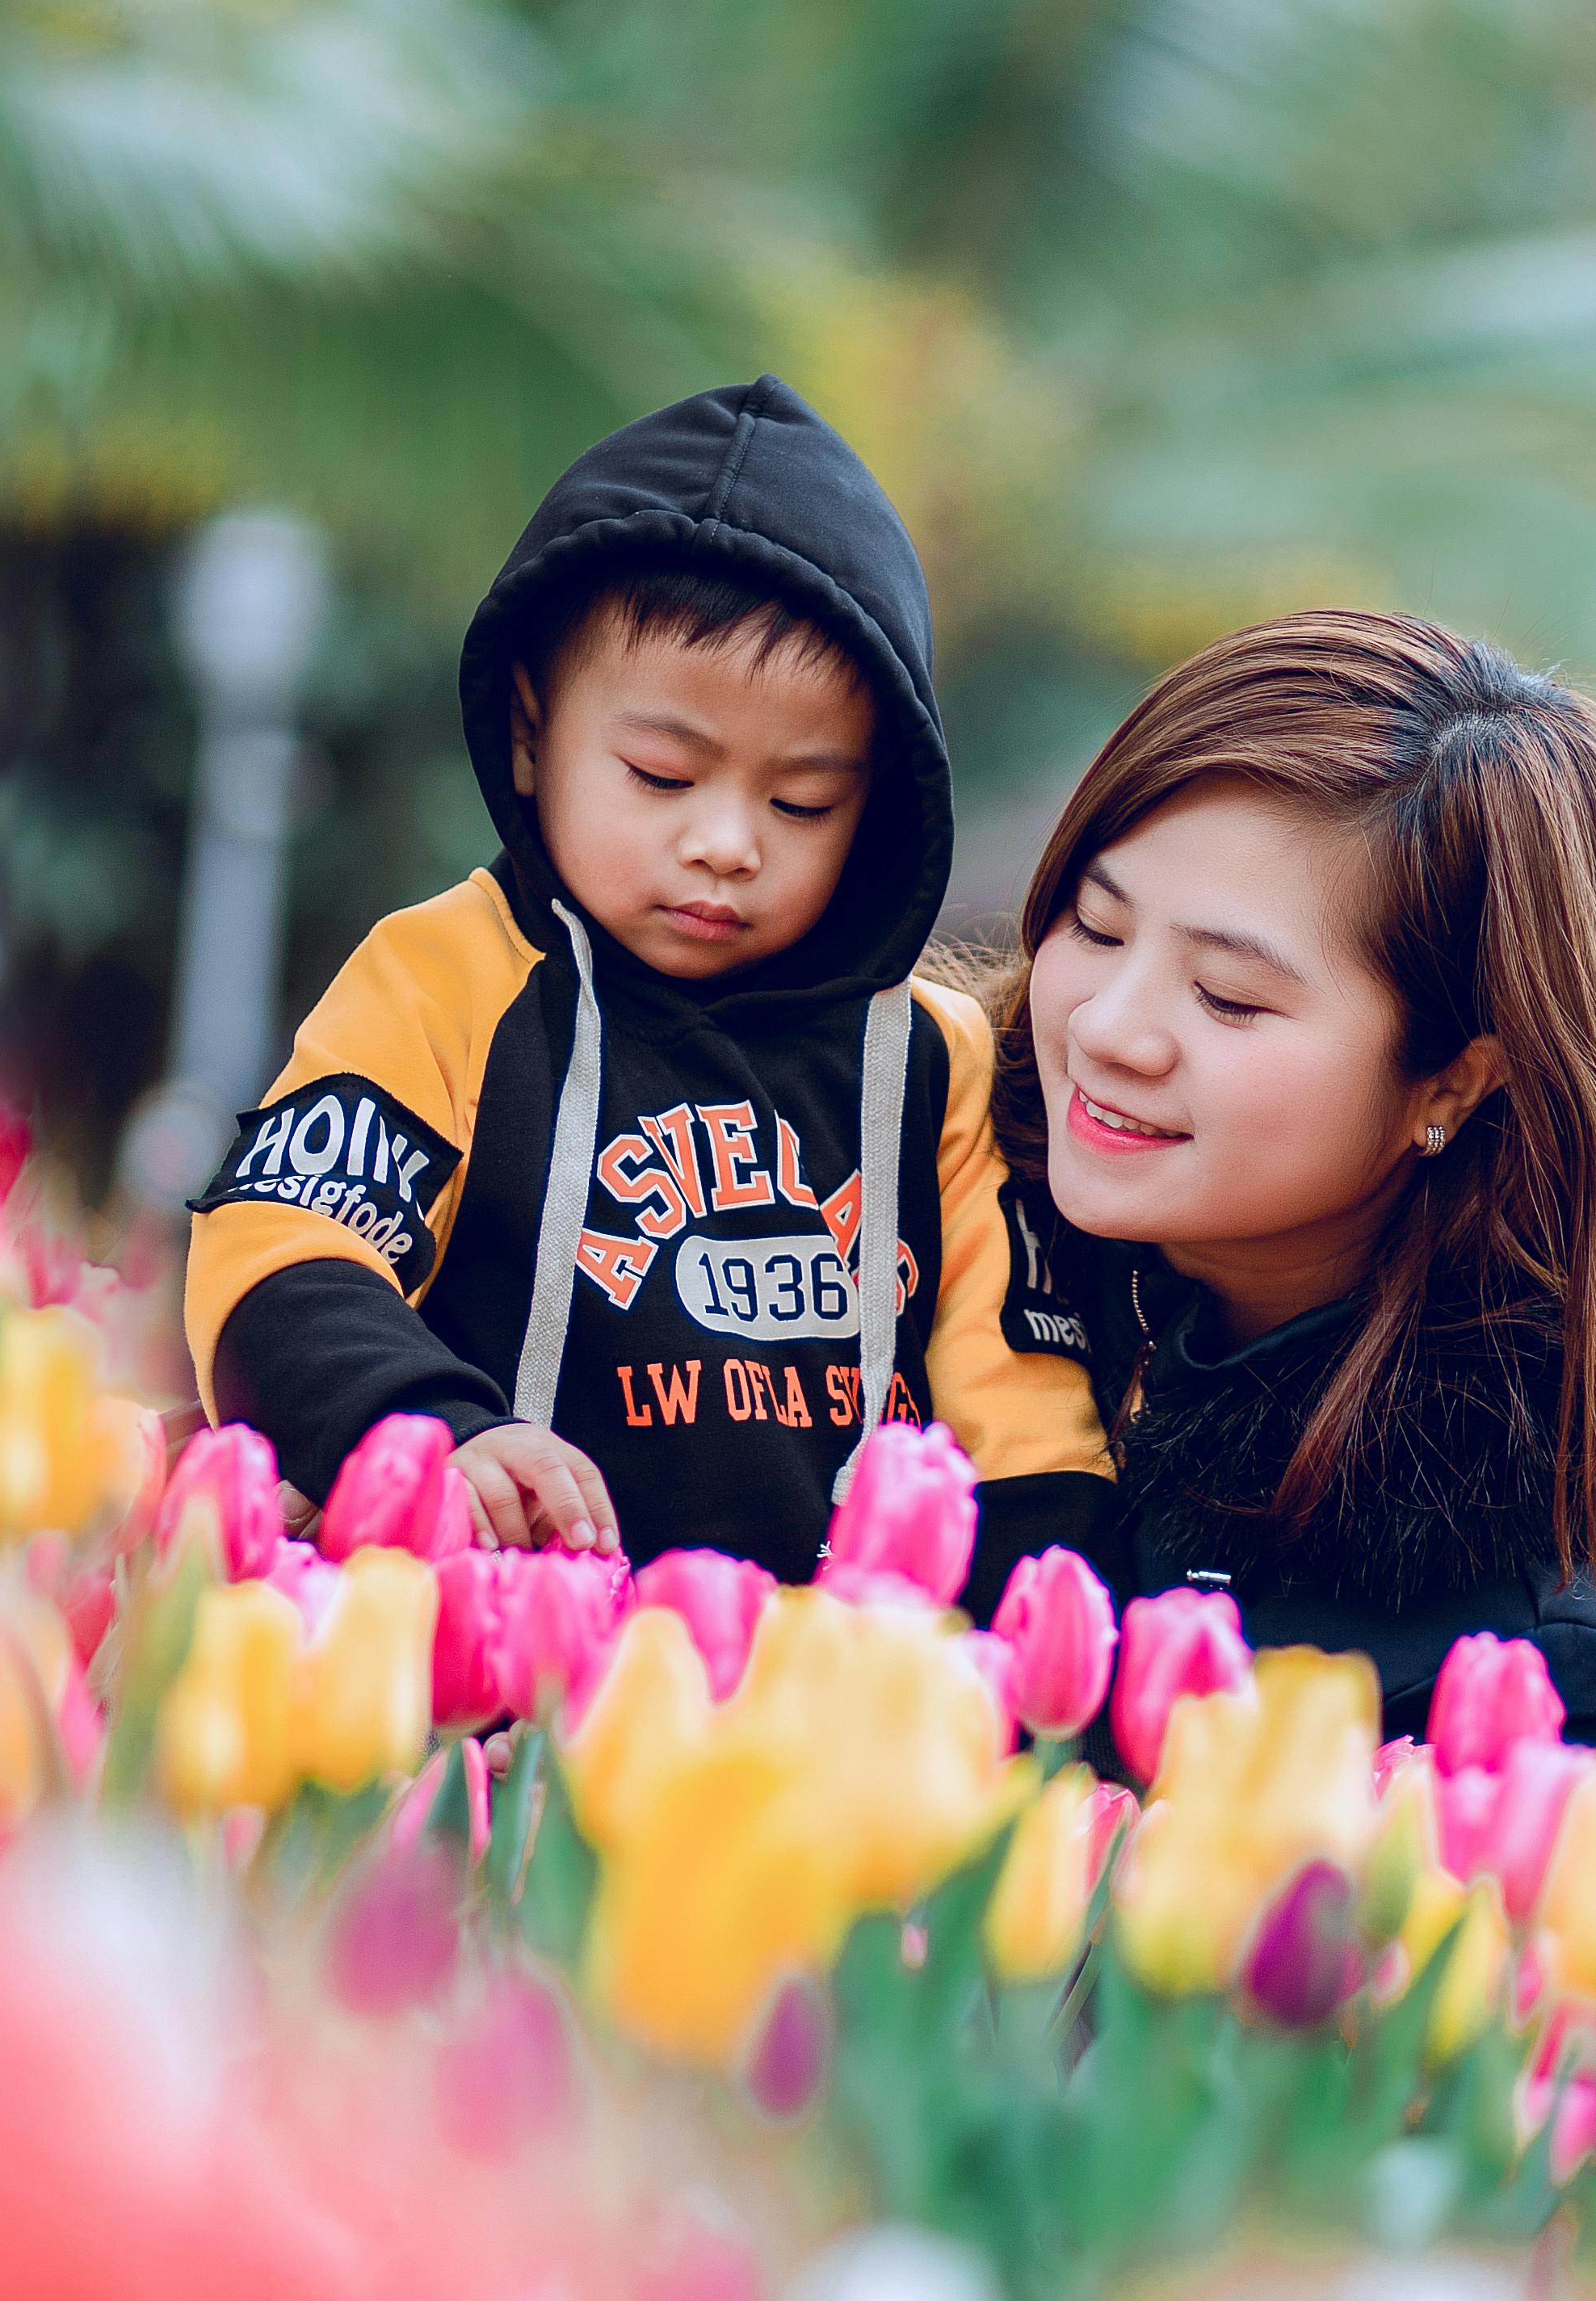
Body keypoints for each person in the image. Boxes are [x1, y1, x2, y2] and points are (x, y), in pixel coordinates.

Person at [185, 376, 1112, 1600]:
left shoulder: (937, 1062)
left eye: (802, 803)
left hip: (815, 1715)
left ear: (880, 803)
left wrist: (1006, 1668)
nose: (728, 843)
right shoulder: (447, 977)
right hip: (507, 1667)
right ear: (531, 737)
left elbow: (1029, 1423)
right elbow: (281, 1248)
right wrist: (431, 1432)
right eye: (661, 776)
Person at [986, 611, 1596, 1742]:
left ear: (1453, 1082)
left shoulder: (1520, 1653)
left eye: (1229, 998)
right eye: (1098, 927)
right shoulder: (918, 1208)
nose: (1110, 1029)